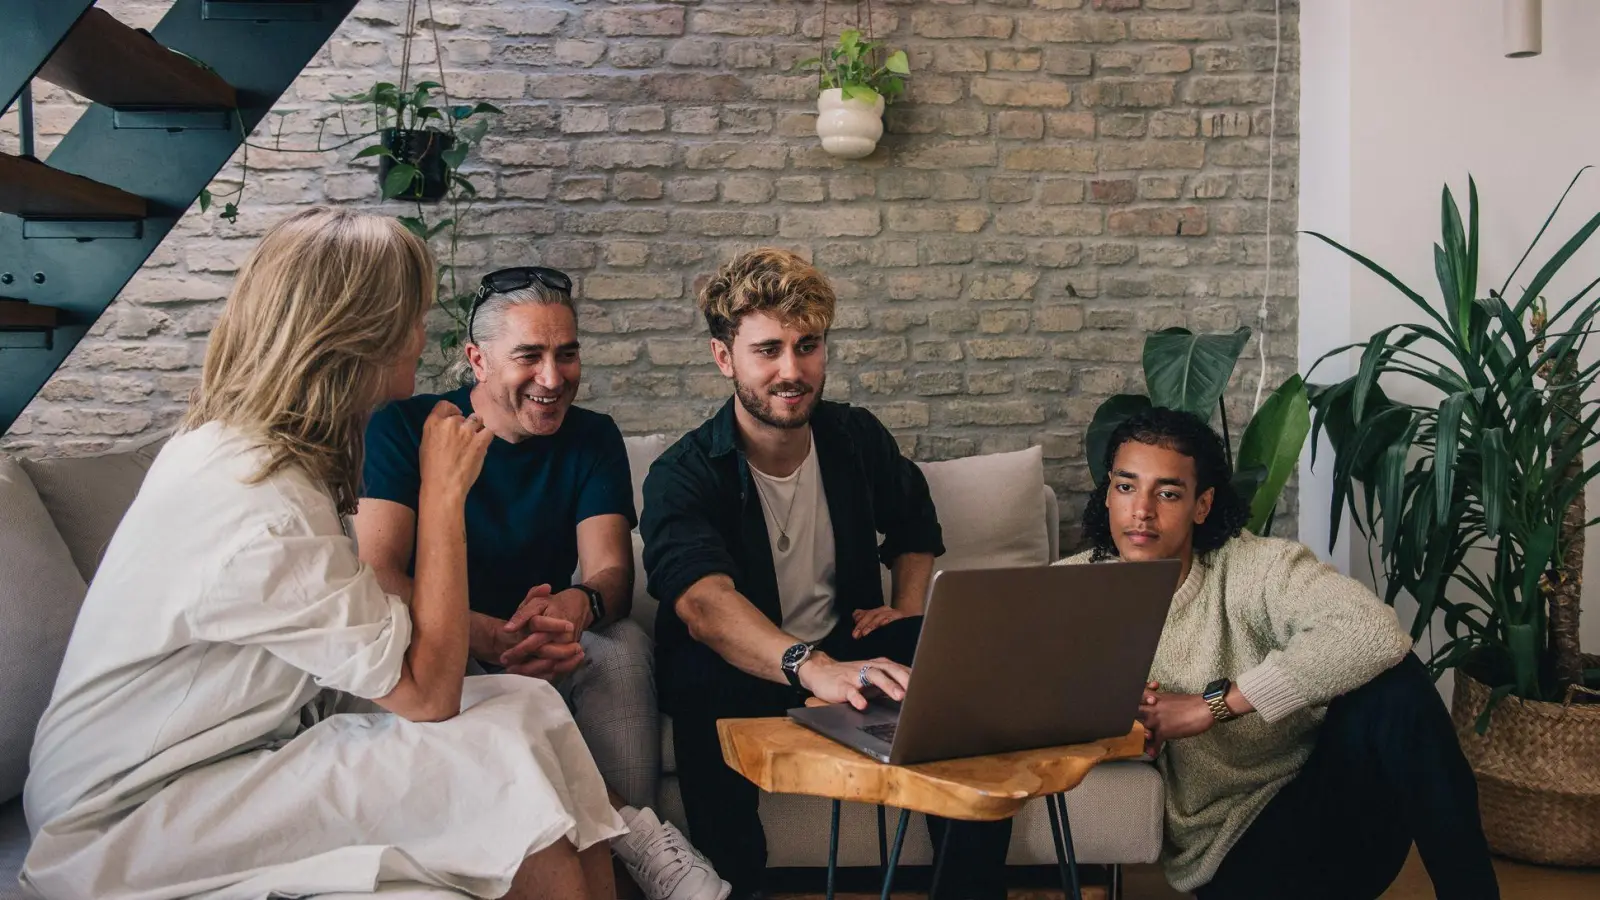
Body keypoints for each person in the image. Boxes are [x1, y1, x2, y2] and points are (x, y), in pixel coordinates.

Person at [22, 207, 621, 900]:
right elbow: (428, 695)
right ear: (359, 336)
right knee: (489, 763)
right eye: (413, 318)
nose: (422, 338)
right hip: (135, 809)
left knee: (527, 706)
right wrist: (445, 494)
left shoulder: (256, 452)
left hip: (225, 753)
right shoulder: (258, 506)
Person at [639, 248, 1012, 900]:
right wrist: (811, 667)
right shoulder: (685, 473)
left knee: (949, 657)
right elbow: (702, 604)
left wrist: (906, 607)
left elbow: (916, 527)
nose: (792, 370)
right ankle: (735, 891)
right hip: (742, 669)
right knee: (698, 680)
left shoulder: (853, 437)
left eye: (807, 346)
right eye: (769, 350)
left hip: (849, 649)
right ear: (724, 358)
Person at [354, 266, 728, 900]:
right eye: (529, 356)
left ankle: (626, 876)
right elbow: (382, 571)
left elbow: (610, 571)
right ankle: (639, 843)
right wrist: (486, 636)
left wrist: (573, 607)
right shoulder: (403, 428)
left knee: (625, 648)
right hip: (443, 641)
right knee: (463, 678)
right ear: (477, 360)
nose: (553, 379)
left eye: (568, 354)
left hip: (550, 640)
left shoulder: (592, 437)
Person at [1060, 406, 1500, 899]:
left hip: (1336, 812)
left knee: (1395, 684)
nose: (1141, 510)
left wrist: (1214, 705)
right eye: (1126, 487)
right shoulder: (1070, 590)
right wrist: (1123, 727)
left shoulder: (1257, 567)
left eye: (1167, 493)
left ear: (1201, 505)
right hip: (1229, 852)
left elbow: (1372, 630)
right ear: (1108, 494)